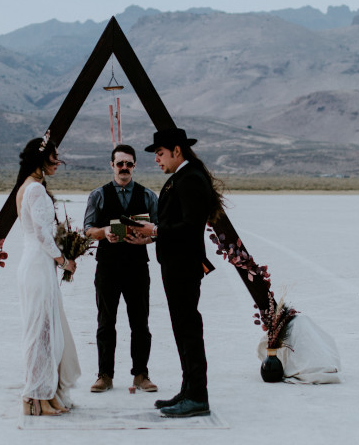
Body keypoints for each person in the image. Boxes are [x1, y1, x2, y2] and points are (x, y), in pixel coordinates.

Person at [137, 126, 224, 418]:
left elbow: (190, 228)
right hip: (176, 264)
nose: (157, 160)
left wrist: (157, 230)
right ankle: (189, 390)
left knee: (188, 329)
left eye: (160, 154)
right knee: (182, 328)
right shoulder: (182, 178)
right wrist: (151, 235)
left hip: (184, 266)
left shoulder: (190, 180)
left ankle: (198, 396)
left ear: (177, 151)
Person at [82, 143, 160, 393]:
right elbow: (87, 230)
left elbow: (160, 230)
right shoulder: (98, 195)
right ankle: (104, 375)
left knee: (140, 323)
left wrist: (146, 239)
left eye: (129, 164)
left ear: (135, 165)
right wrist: (104, 232)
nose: (124, 168)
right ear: (112, 165)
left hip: (138, 266)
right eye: (120, 163)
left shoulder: (148, 196)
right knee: (106, 322)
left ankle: (141, 374)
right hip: (108, 266)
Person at [14, 136, 82, 415]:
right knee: (41, 333)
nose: (58, 163)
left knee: (44, 330)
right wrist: (65, 260)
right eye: (54, 158)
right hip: (39, 265)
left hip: (33, 263)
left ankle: (47, 393)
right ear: (41, 160)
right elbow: (43, 234)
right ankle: (35, 397)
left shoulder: (25, 187)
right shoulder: (36, 191)